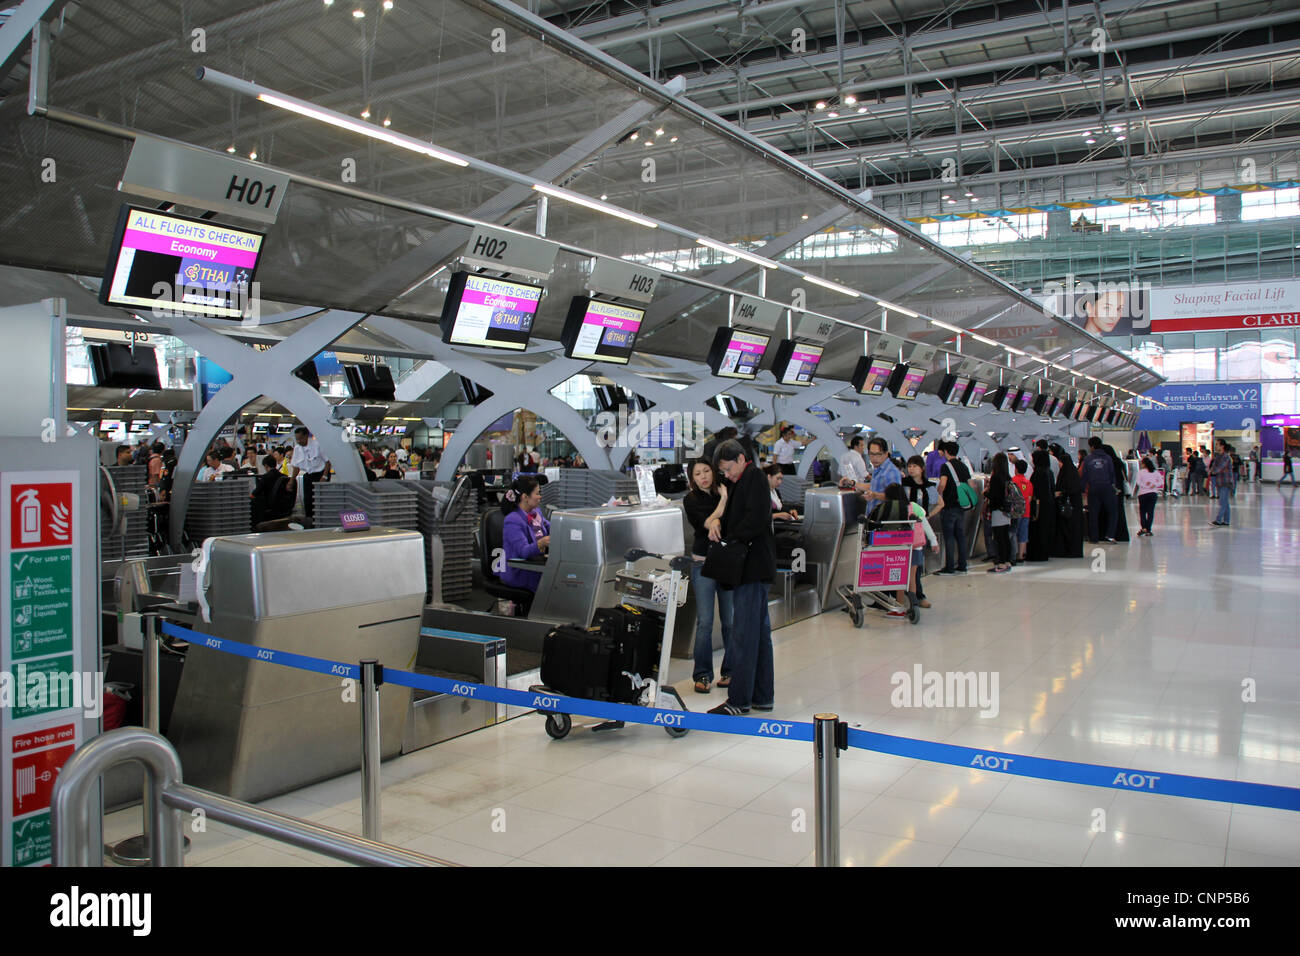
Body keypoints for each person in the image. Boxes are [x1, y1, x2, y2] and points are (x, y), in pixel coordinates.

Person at [707, 440, 777, 717]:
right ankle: (762, 696)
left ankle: (739, 700)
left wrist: (729, 537)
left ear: (740, 459)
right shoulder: (743, 481)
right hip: (753, 568)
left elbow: (756, 520)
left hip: (752, 567)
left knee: (745, 634)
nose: (726, 474)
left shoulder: (754, 478)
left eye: (727, 468)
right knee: (758, 635)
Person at [683, 459, 733, 694]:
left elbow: (726, 521)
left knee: (730, 622)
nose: (703, 476)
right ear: (692, 478)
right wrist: (722, 503)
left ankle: (730, 670)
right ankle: (702, 674)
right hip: (702, 564)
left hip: (726, 563)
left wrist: (718, 514)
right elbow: (707, 523)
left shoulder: (725, 490)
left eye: (706, 471)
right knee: (704, 622)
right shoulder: (691, 499)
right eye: (698, 473)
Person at [499, 475, 550, 594]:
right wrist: (541, 543)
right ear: (525, 497)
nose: (540, 497)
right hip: (520, 571)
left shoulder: (536, 513)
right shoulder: (512, 520)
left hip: (536, 564)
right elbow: (524, 552)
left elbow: (551, 527)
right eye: (537, 493)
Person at [901, 456, 936, 608]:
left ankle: (917, 596)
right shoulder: (904, 485)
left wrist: (927, 516)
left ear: (922, 468)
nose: (911, 469)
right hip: (904, 530)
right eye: (909, 466)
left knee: (917, 566)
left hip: (919, 532)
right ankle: (906, 597)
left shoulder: (928, 486)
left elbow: (940, 502)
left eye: (915, 466)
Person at [933, 441, 971, 575]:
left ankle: (949, 567)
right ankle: (962, 565)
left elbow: (942, 484)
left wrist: (937, 495)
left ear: (946, 451)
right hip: (961, 505)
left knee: (949, 536)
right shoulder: (963, 466)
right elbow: (969, 484)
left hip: (949, 506)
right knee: (960, 536)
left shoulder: (946, 466)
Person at [983, 453, 1016, 573]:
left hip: (998, 510)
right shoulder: (1008, 477)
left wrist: (985, 492)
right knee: (1005, 536)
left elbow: (994, 496)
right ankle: (1007, 561)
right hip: (1007, 511)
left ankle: (1001, 563)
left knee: (999, 537)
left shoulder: (996, 477)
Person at [1081, 437, 1118, 543]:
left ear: (1092, 447)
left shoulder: (1088, 459)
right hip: (1107, 488)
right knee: (1113, 512)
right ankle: (1110, 535)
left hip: (1093, 489)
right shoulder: (1108, 458)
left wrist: (1082, 489)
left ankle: (1094, 538)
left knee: (1093, 514)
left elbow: (1085, 476)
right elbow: (1112, 474)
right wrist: (1113, 486)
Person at [290, 426, 330, 520]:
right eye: (297, 439)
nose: (299, 441)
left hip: (320, 474)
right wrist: (291, 480)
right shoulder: (297, 448)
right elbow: (296, 466)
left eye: (301, 439)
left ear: (306, 436)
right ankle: (310, 521)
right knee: (308, 500)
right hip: (308, 475)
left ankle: (322, 520)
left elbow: (328, 462)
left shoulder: (317, 445)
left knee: (321, 500)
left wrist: (324, 477)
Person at [1051, 444, 1084, 558]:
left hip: (1066, 508)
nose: (1059, 464)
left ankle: (1065, 550)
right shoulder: (1072, 472)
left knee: (1066, 529)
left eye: (1060, 462)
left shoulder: (1065, 474)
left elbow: (1067, 489)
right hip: (1075, 508)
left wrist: (1060, 493)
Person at [1026, 448, 1056, 561]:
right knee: (1045, 530)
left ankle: (1037, 553)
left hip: (1038, 506)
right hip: (1048, 506)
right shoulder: (1049, 471)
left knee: (1037, 530)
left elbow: (1035, 492)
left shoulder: (1038, 473)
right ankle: (1044, 552)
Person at [853, 437, 901, 504]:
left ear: (886, 454)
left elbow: (894, 497)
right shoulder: (878, 469)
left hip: (884, 513)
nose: (874, 458)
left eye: (878, 454)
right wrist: (853, 483)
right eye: (872, 454)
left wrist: (875, 495)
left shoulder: (891, 471)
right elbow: (873, 486)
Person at [250, 455, 293, 525]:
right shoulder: (285, 477)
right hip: (283, 507)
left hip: (270, 507)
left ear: (266, 466)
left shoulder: (265, 477)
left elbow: (254, 494)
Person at [1104, 444, 1131, 543]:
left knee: (1110, 513)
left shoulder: (1107, 463)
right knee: (1118, 513)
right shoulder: (1119, 462)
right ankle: (1120, 534)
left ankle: (1109, 533)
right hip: (1119, 490)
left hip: (1111, 490)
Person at [1011, 459, 1033, 564]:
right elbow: (1029, 498)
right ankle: (1021, 555)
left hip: (1015, 512)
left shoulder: (1013, 481)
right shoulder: (1029, 483)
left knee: (1014, 532)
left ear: (1016, 469)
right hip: (1026, 511)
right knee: (1023, 534)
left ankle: (1014, 554)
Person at [1209, 439, 1234, 527]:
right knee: (1225, 502)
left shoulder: (1226, 457)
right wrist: (1212, 470)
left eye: (1217, 444)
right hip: (1219, 482)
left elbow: (1218, 468)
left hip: (1226, 482)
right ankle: (1226, 521)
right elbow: (1213, 466)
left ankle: (1218, 520)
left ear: (1222, 446)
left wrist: (1213, 471)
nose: (1216, 446)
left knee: (1222, 502)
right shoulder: (1218, 456)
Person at [1134, 456, 1161, 536]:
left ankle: (1144, 528)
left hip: (1143, 494)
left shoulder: (1141, 472)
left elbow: (1138, 482)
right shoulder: (1155, 472)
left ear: (1144, 464)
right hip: (1153, 493)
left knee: (1142, 512)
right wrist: (1153, 485)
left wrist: (1146, 486)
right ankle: (1148, 529)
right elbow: (1160, 482)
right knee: (1150, 512)